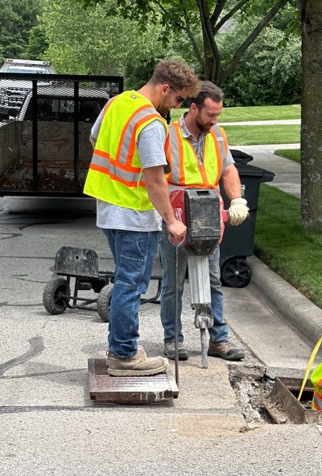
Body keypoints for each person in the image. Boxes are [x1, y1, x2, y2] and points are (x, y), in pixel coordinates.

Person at [83, 60, 199, 377]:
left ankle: (123, 347)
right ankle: (124, 355)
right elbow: (155, 180)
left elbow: (94, 139)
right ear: (165, 89)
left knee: (124, 281)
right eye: (178, 100)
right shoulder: (150, 122)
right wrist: (171, 221)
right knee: (131, 286)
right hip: (135, 215)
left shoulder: (116, 103)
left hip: (108, 208)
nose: (177, 106)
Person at [159, 80, 249, 362]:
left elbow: (228, 169)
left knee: (212, 280)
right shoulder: (168, 134)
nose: (214, 120)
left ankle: (218, 340)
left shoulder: (217, 135)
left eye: (218, 115)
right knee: (174, 282)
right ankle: (173, 339)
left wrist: (237, 200)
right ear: (194, 107)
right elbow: (155, 177)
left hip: (208, 213)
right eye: (210, 114)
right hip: (177, 212)